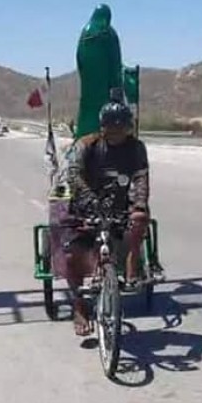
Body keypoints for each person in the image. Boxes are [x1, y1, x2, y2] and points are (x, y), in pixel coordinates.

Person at [64, 100, 150, 336]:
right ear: (102, 127)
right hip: (86, 206)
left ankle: (132, 264)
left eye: (122, 128)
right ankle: (80, 307)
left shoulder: (136, 147)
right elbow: (73, 175)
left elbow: (141, 177)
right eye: (112, 128)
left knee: (140, 217)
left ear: (128, 127)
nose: (117, 133)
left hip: (120, 205)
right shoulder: (86, 145)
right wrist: (90, 199)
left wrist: (138, 205)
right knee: (72, 256)